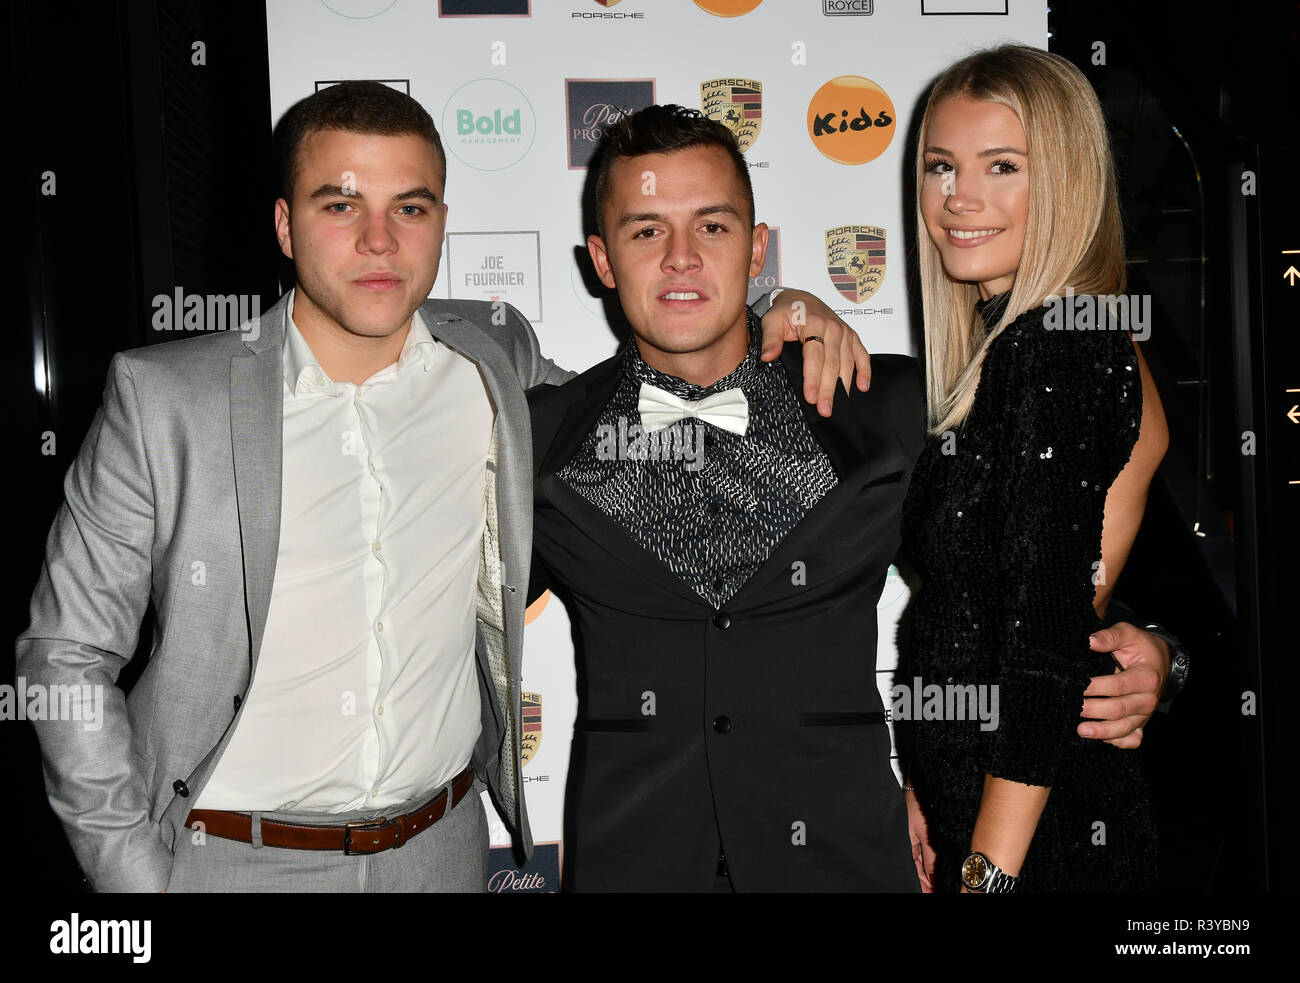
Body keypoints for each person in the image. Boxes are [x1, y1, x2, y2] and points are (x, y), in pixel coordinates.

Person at [14, 81, 867, 893]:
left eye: (409, 208)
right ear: (284, 224)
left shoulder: (496, 361)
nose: (379, 241)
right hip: (226, 862)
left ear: (443, 222)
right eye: (340, 205)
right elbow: (65, 654)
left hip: (442, 854)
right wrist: (134, 874)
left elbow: (665, 399)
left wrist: (776, 309)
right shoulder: (167, 399)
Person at [524, 104, 1173, 892]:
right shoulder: (541, 440)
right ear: (601, 258)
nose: (683, 259)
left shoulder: (885, 403)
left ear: (758, 247)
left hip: (848, 864)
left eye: (714, 227)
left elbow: (1094, 459)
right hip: (633, 866)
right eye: (646, 230)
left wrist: (1159, 655)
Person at [897, 44, 1169, 893]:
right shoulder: (1019, 347)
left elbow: (1045, 638)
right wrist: (928, 780)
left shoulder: (1062, 345)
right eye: (942, 166)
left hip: (1041, 835)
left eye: (1001, 166)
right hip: (994, 807)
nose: (958, 198)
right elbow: (984, 613)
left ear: (1067, 180)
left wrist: (988, 873)